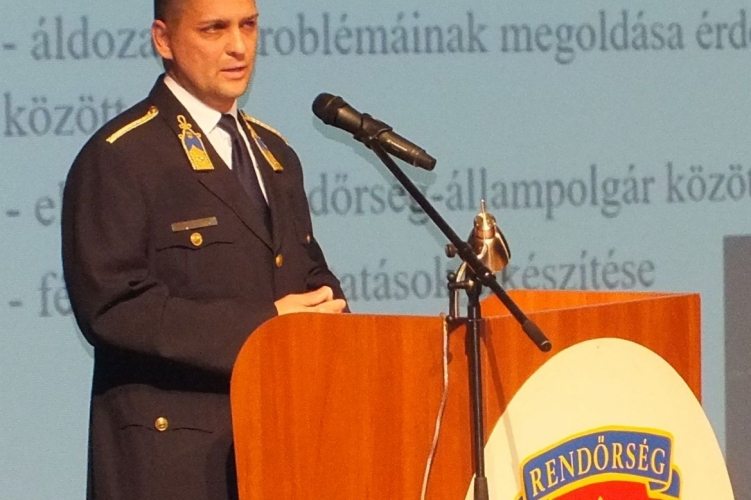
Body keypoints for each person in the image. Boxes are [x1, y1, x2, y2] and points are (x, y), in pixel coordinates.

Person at [61, 0, 347, 498]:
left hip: (280, 450)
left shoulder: (275, 154)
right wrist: (265, 327)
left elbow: (308, 274)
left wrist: (335, 321)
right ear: (163, 39)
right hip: (173, 463)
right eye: (214, 29)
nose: (238, 46)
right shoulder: (122, 155)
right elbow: (113, 307)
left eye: (248, 26)